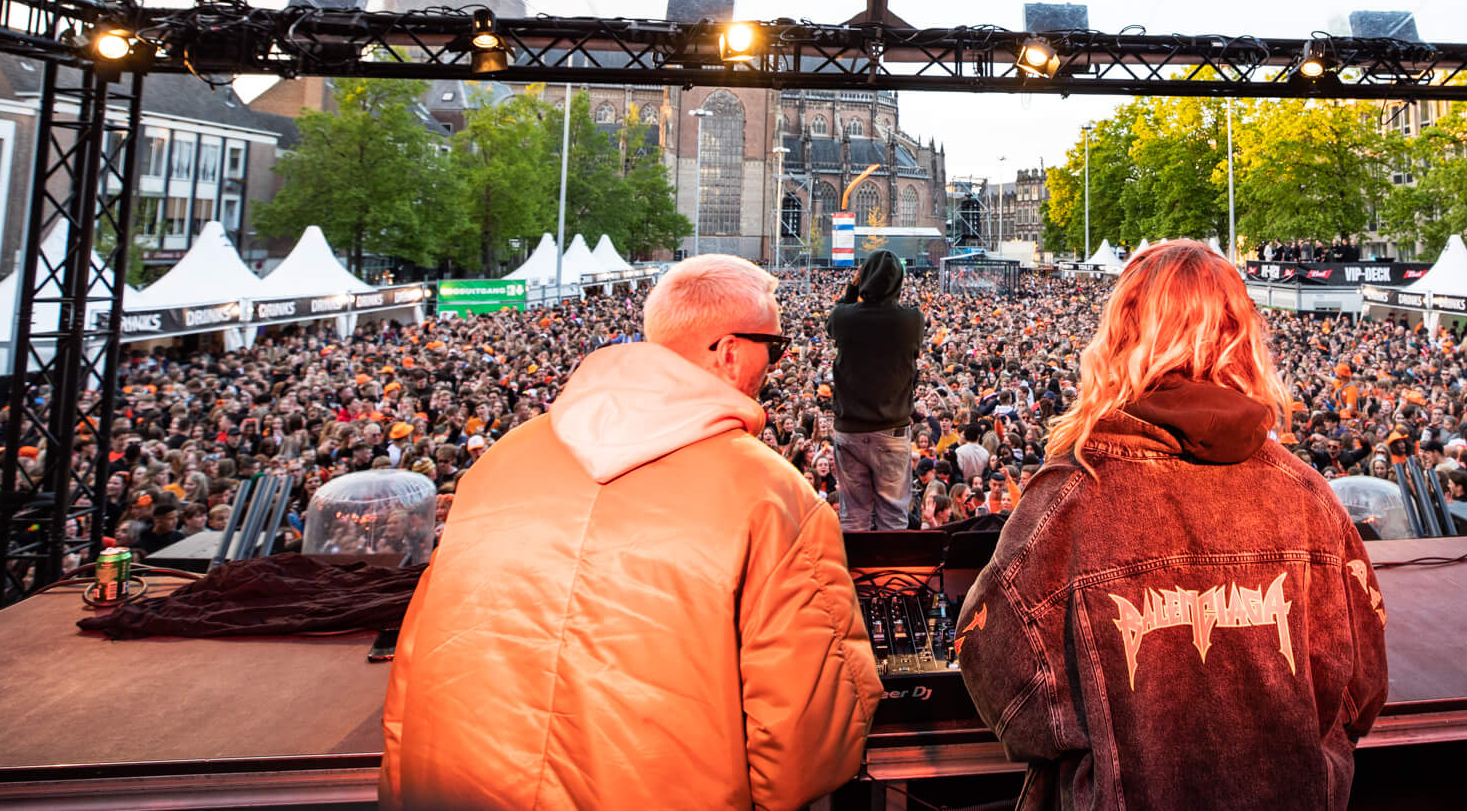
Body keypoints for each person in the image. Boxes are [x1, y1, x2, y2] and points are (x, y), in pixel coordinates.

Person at [380, 255, 882, 810]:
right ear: (730, 351)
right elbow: (809, 744)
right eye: (776, 346)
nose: (777, 364)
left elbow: (411, 671)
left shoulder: (498, 465)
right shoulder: (772, 496)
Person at [959, 242, 1388, 811]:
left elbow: (998, 673)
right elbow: (1361, 689)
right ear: (1240, 336)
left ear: (1121, 337)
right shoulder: (1309, 497)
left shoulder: (1066, 501)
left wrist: (1105, 741)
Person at [825, 250, 922, 531]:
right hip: (892, 429)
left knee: (853, 514)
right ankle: (890, 574)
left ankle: (854, 573)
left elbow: (832, 323)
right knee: (893, 515)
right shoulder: (912, 320)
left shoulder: (845, 318)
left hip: (850, 428)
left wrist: (852, 289)